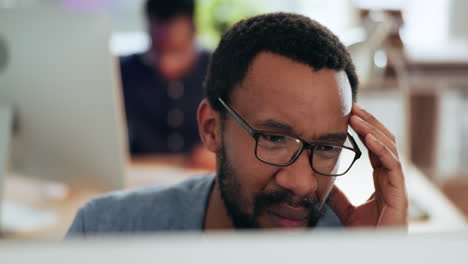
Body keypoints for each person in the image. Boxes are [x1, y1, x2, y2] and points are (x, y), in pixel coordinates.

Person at [66, 13, 408, 235]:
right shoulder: (106, 231)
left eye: (327, 148)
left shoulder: (358, 242)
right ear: (212, 129)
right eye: (274, 139)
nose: (303, 184)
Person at [121, 0, 211, 155]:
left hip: (199, 170)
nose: (164, 32)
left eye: (173, 25)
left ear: (193, 29)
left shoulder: (215, 67)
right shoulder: (126, 70)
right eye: (158, 25)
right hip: (143, 170)